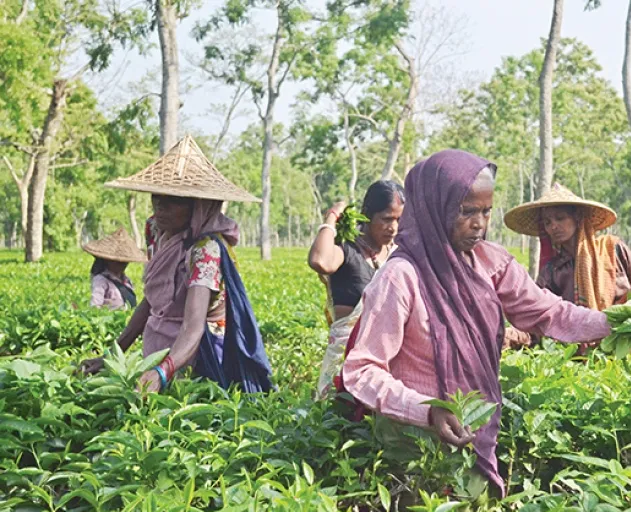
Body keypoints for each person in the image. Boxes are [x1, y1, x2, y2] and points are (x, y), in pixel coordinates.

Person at [340, 149, 612, 496]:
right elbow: (362, 370)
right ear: (434, 207)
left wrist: (615, 320)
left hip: (474, 427)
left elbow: (549, 312)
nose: (479, 223)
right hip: (412, 441)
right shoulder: (401, 277)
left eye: (485, 211)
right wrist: (427, 411)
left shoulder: (488, 262)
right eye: (466, 211)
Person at [81, 136, 273, 394]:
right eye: (157, 196)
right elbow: (152, 301)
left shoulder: (206, 250)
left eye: (174, 199)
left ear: (199, 205)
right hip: (159, 348)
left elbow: (193, 326)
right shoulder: (156, 231)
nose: (161, 206)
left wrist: (163, 370)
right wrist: (111, 355)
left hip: (199, 355)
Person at [308, 181, 404, 396]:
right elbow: (320, 261)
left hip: (383, 364)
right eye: (387, 219)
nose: (393, 227)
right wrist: (332, 217)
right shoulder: (348, 249)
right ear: (367, 216)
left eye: (399, 220)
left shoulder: (397, 254)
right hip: (345, 363)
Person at [503, 184, 631, 309]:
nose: (553, 226)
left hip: (624, 333)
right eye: (547, 222)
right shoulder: (552, 271)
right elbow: (539, 311)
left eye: (560, 218)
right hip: (576, 337)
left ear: (577, 217)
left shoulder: (613, 249)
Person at [83, 227, 147, 310]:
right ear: (107, 260)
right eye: (118, 262)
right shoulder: (101, 280)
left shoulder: (126, 281)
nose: (122, 265)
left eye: (124, 262)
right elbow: (95, 305)